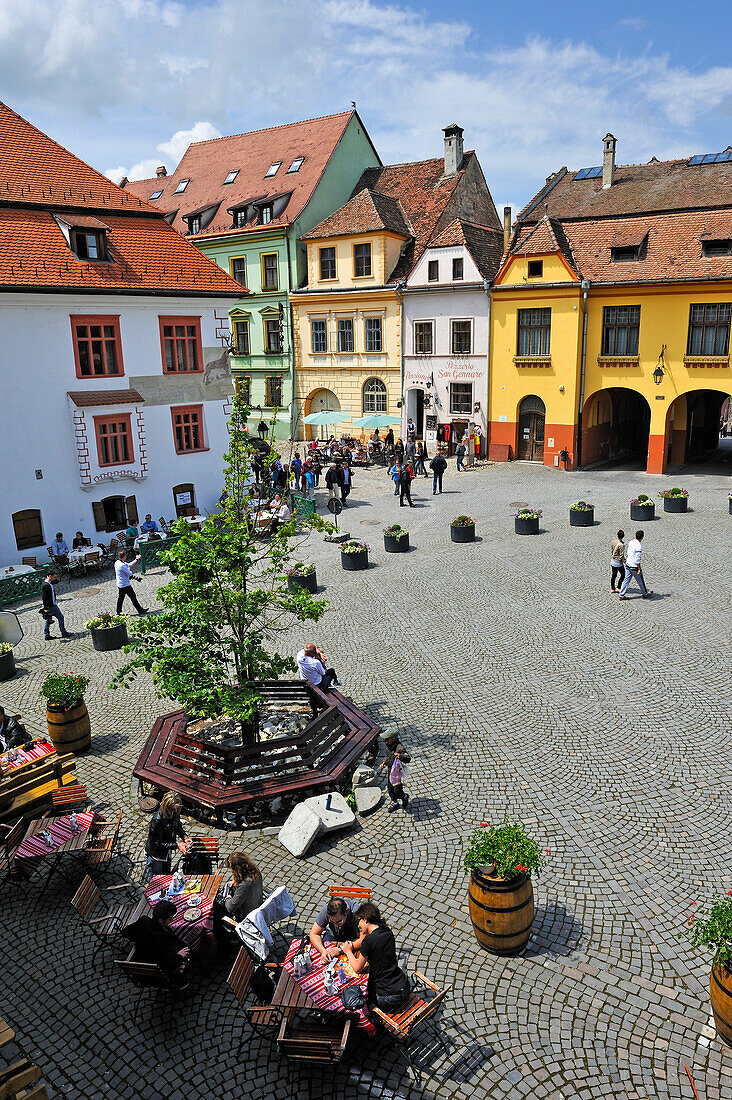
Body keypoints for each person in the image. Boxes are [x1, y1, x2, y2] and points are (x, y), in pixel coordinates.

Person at [342, 902, 411, 1010]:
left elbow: (357, 968)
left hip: (388, 997)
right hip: (404, 986)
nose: (358, 925)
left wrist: (348, 951)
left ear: (365, 919)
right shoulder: (388, 932)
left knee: (364, 1003)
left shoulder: (368, 941)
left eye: (359, 920)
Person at [122, 900, 190, 988]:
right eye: (170, 918)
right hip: (159, 974)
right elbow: (170, 962)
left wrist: (139, 937)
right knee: (185, 948)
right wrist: (180, 956)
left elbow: (125, 932)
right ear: (161, 920)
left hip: (141, 969)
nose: (172, 920)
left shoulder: (143, 921)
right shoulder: (163, 938)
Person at [212, 851, 264, 944]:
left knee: (216, 909)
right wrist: (235, 880)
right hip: (257, 904)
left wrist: (227, 896)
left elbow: (231, 908)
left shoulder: (245, 884)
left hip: (247, 915)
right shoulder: (254, 870)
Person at [144, 791, 192, 880]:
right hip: (156, 855)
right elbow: (157, 843)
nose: (175, 812)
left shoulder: (174, 812)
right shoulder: (157, 820)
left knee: (166, 875)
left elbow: (177, 826)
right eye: (172, 809)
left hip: (166, 852)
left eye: (176, 809)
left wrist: (184, 837)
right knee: (158, 880)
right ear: (166, 806)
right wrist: (177, 845)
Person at [310, 896, 363, 962]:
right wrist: (323, 951)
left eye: (339, 922)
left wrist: (340, 949)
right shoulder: (326, 910)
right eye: (332, 922)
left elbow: (363, 939)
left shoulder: (356, 912)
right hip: (332, 935)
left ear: (346, 911)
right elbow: (314, 934)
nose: (336, 925)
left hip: (351, 938)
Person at [380, 726, 411, 811]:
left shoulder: (400, 748)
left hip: (397, 772)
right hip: (391, 771)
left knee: (397, 791)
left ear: (393, 739)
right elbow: (388, 756)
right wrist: (384, 763)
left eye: (387, 739)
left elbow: (408, 758)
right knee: (390, 789)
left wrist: (400, 756)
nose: (385, 741)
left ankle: (404, 797)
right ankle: (395, 803)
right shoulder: (388, 745)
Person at [619, 530, 653, 600]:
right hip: (634, 567)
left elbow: (628, 552)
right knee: (640, 581)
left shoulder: (631, 542)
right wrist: (639, 569)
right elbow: (637, 559)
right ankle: (645, 593)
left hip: (628, 564)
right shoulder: (639, 546)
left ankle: (621, 594)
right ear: (642, 537)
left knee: (626, 580)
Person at [114, 550, 148, 615]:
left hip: (120, 584)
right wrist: (129, 569)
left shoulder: (117, 562)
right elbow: (129, 574)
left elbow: (129, 564)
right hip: (125, 585)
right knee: (133, 597)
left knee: (121, 598)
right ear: (124, 556)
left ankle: (118, 612)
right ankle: (140, 610)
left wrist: (136, 559)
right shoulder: (122, 566)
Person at [41, 569, 71, 641]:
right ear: (50, 576)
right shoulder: (46, 586)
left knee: (48, 620)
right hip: (51, 606)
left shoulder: (47, 582)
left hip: (49, 605)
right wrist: (46, 608)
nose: (55, 578)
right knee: (60, 617)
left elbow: (55, 581)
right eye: (54, 577)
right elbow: (44, 597)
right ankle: (63, 632)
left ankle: (47, 635)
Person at [610, 529, 626, 593]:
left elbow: (612, 550)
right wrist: (625, 561)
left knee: (614, 575)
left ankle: (612, 588)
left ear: (617, 535)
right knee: (623, 575)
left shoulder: (613, 542)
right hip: (618, 563)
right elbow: (622, 556)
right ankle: (618, 587)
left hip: (613, 561)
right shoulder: (622, 545)